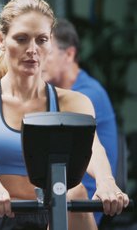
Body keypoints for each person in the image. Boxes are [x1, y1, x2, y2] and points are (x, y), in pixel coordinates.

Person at [0, 0, 129, 230]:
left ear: (50, 43)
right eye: (22, 39)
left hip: (53, 215)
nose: (32, 49)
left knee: (76, 193)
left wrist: (106, 182)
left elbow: (92, 148)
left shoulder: (74, 101)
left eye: (41, 40)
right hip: (0, 213)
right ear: (1, 40)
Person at [42, 18, 118, 225]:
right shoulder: (55, 95)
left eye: (47, 52)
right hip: (57, 195)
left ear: (69, 54)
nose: (39, 59)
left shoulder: (85, 96)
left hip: (83, 203)